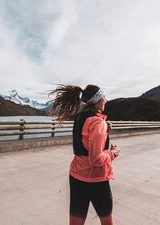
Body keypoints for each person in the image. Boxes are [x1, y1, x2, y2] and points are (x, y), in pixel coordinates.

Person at [50, 84, 120, 225]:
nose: (106, 100)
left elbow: (85, 142)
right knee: (107, 221)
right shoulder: (98, 122)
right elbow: (96, 159)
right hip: (96, 180)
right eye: (104, 97)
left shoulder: (80, 117)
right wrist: (113, 153)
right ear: (99, 100)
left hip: (76, 177)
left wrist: (104, 132)